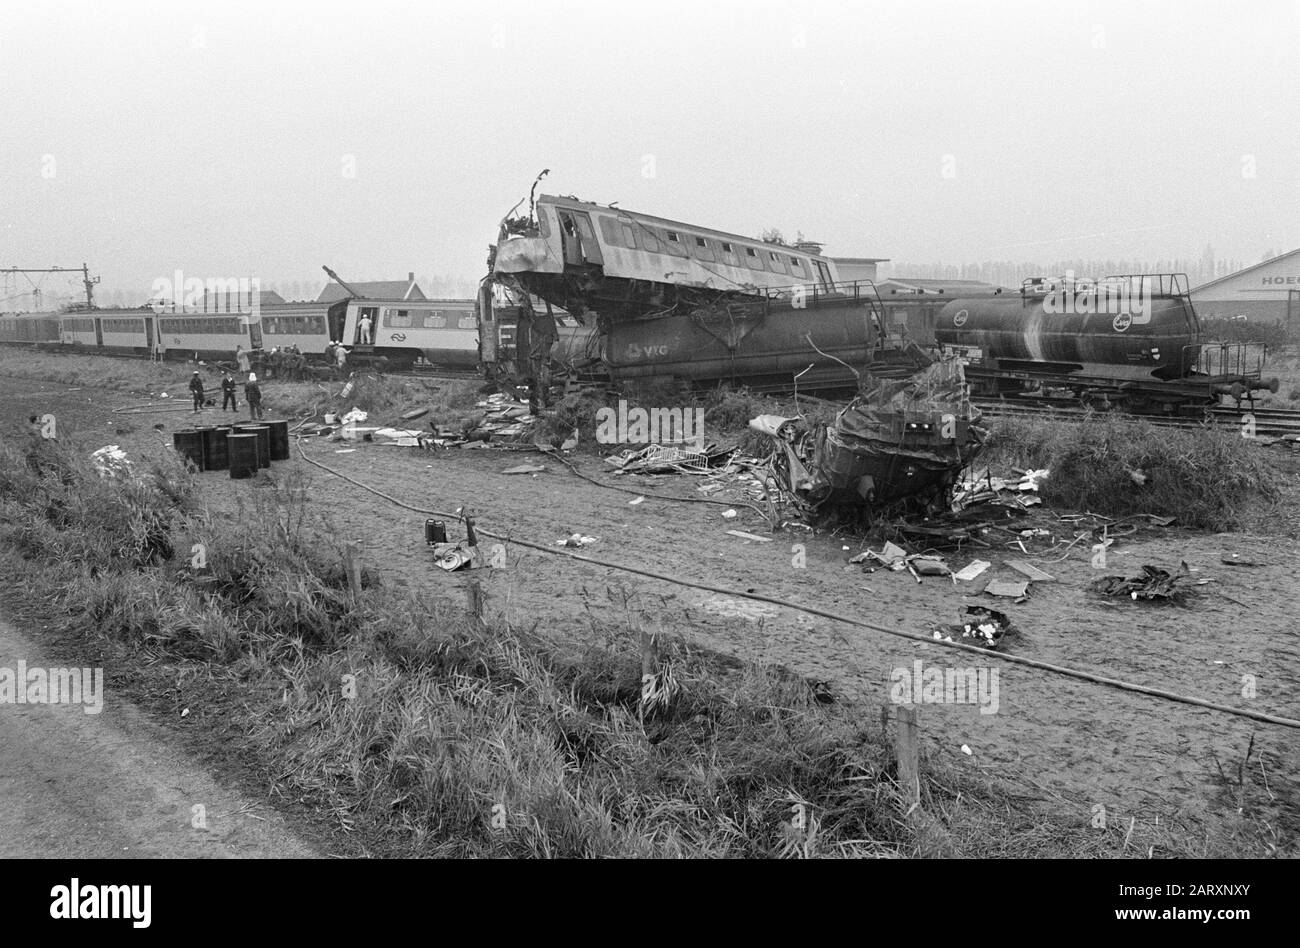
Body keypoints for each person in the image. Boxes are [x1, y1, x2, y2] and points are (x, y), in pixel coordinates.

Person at [528, 307, 557, 413]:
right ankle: (537, 407)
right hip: (538, 363)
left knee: (541, 384)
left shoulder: (539, 334)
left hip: (541, 363)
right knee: (538, 385)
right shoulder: (538, 334)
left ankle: (541, 406)